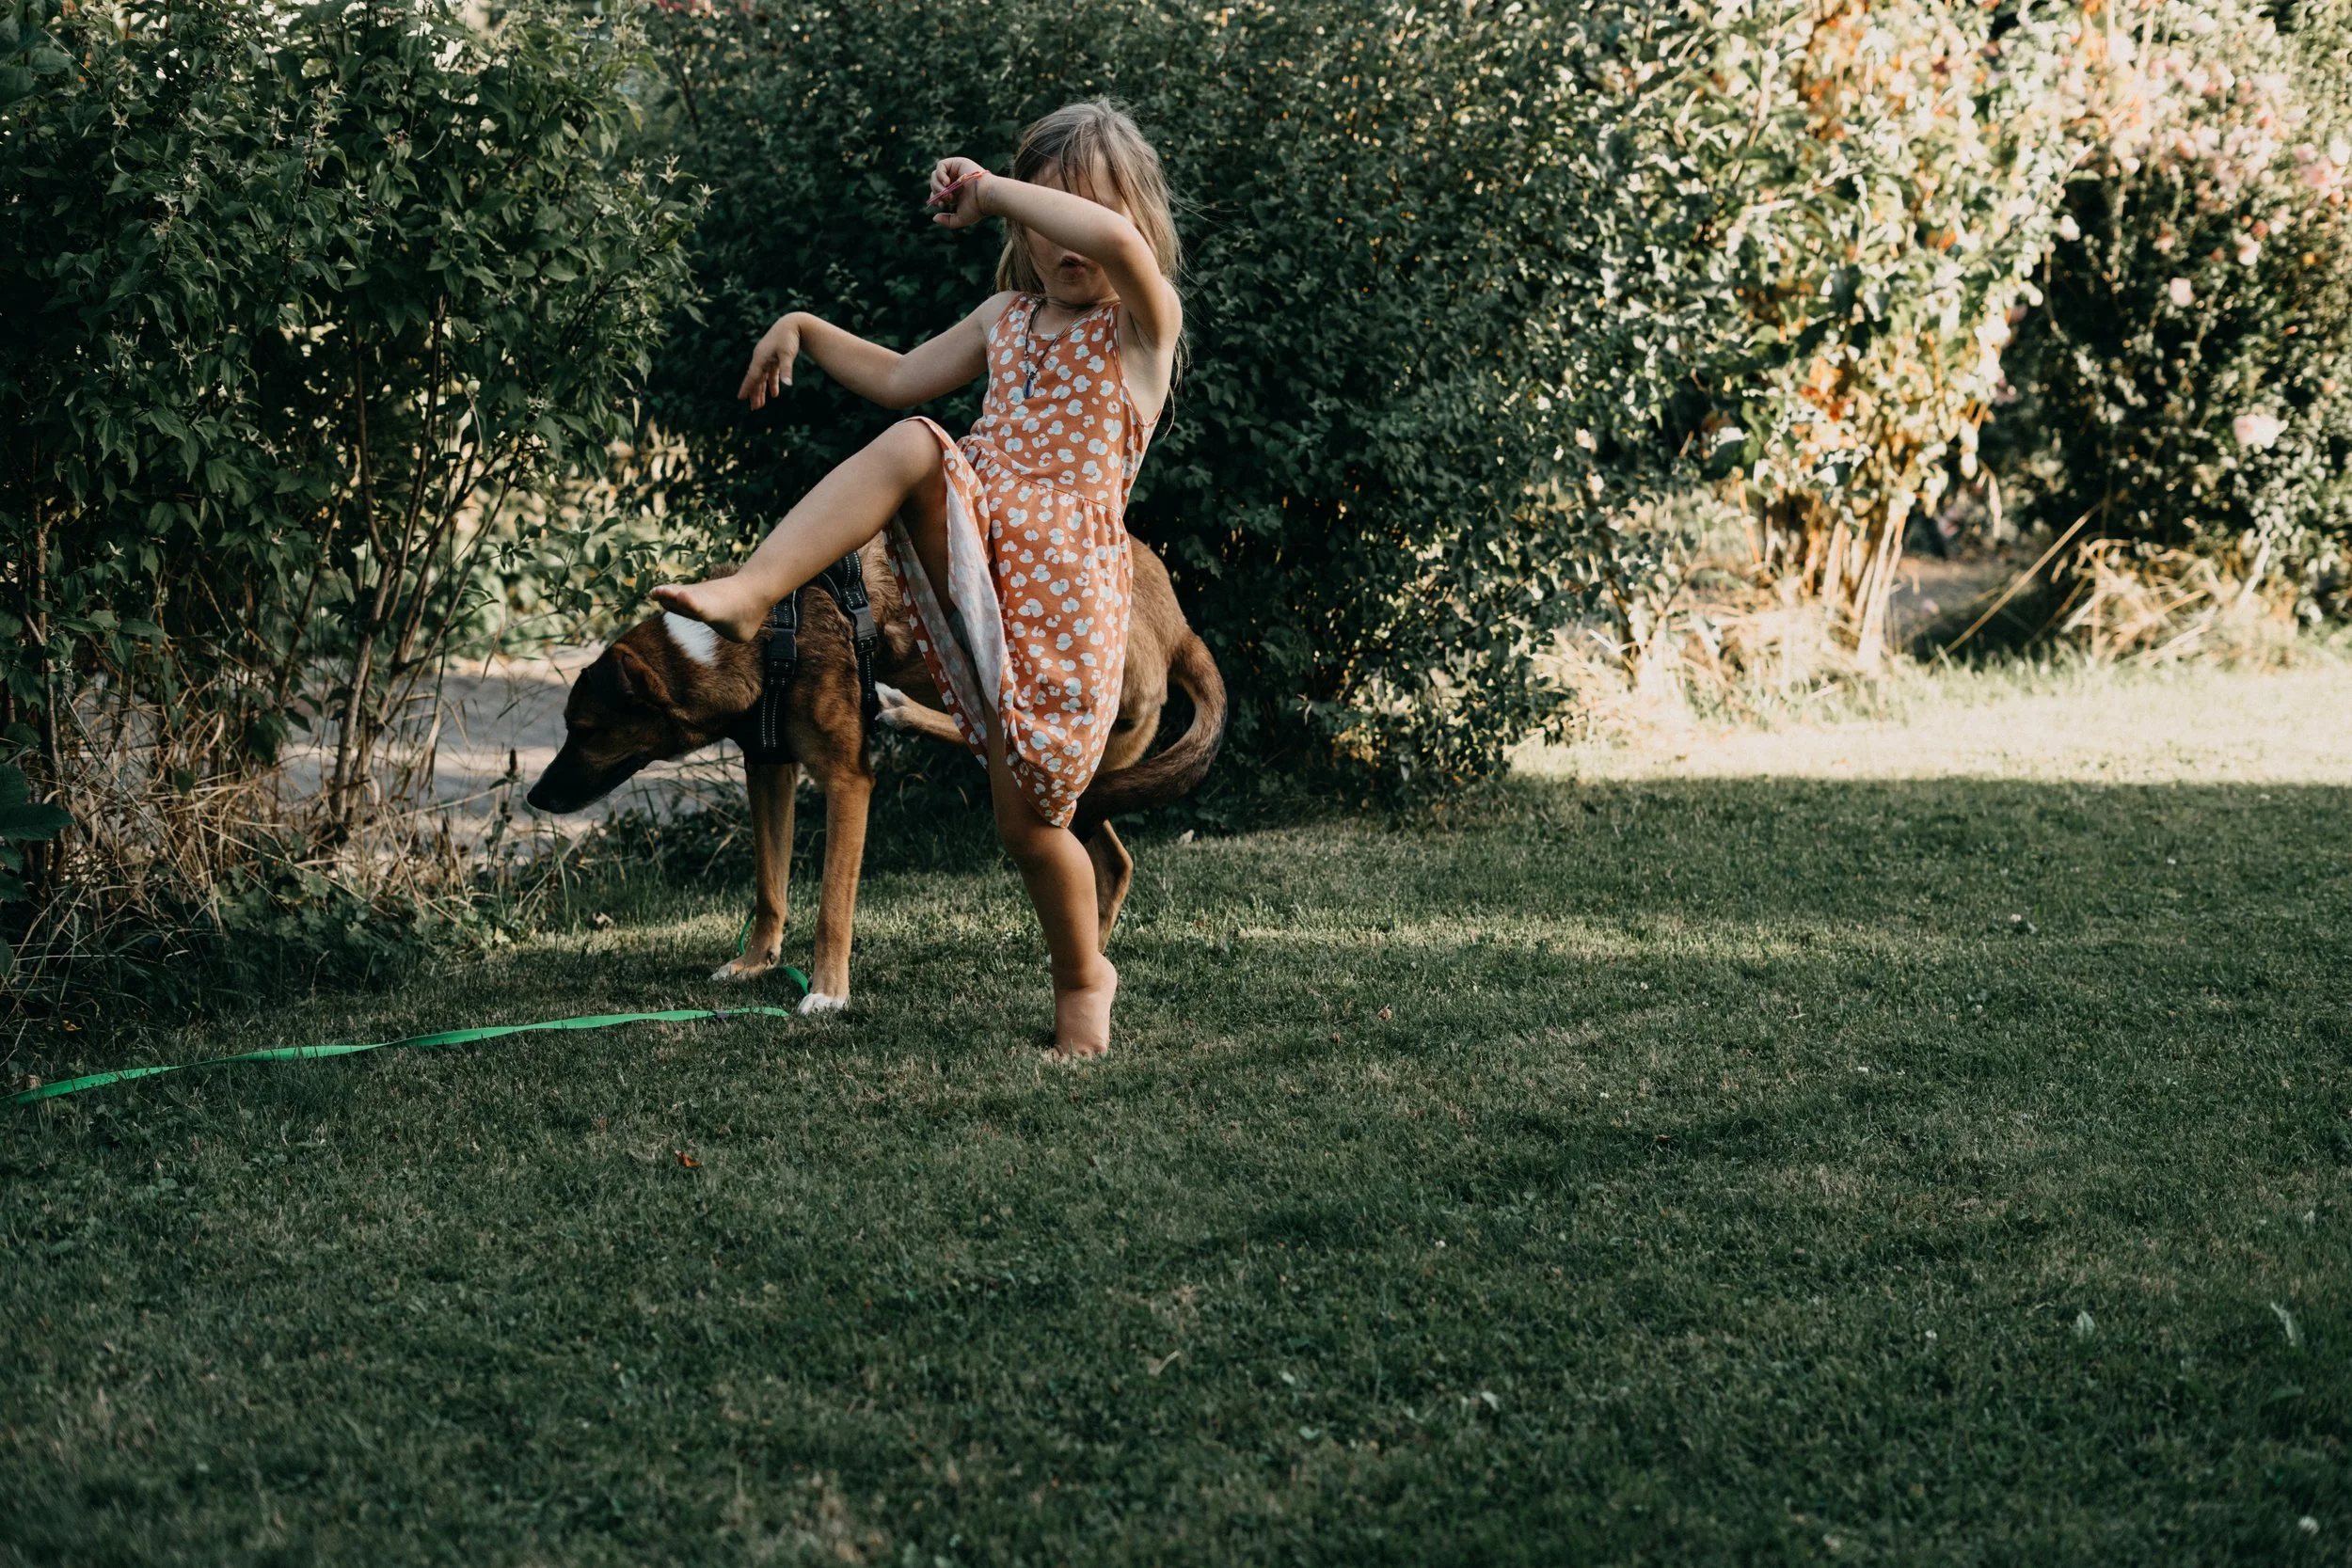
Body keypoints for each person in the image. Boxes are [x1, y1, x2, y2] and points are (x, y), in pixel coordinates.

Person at [653, 100, 1183, 1061]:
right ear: (1022, 236)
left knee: (1031, 828)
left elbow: (1110, 242)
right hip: (978, 572)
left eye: (1095, 208)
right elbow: (900, 378)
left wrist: (995, 189)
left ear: (1137, 219)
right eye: (1049, 212)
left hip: (1064, 614)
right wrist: (802, 326)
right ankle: (754, 589)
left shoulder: (1141, 329)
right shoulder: (1006, 319)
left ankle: (1083, 977)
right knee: (913, 442)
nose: (1071, 236)